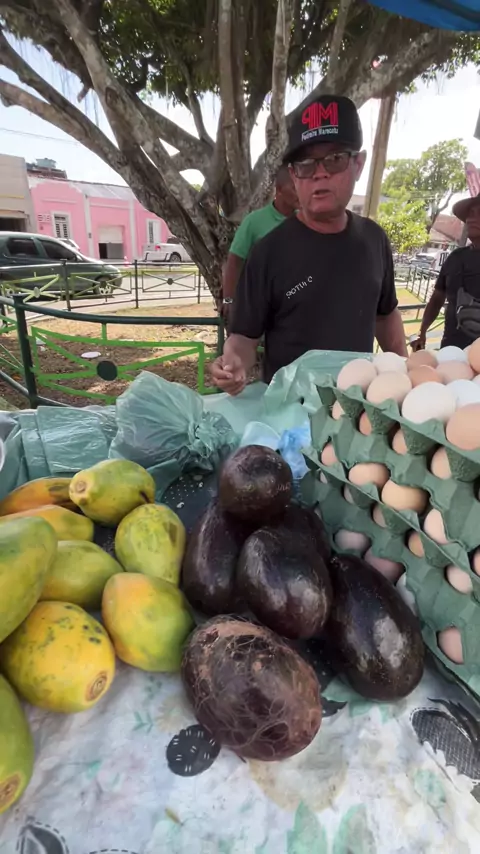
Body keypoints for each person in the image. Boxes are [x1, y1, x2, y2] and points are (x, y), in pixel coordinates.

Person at [210, 94, 406, 395]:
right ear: (293, 175)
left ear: (358, 164)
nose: (320, 173)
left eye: (335, 159)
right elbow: (244, 338)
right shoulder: (269, 252)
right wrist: (233, 362)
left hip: (358, 409)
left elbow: (386, 315)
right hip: (290, 412)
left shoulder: (374, 240)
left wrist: (404, 370)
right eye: (305, 164)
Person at [221, 165, 298, 320]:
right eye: (294, 188)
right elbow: (234, 261)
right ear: (279, 189)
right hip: (260, 308)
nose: (301, 192)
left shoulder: (305, 222)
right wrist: (228, 299)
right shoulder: (254, 221)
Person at [413, 194, 480, 351]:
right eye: (470, 214)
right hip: (451, 350)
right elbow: (437, 299)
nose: (471, 219)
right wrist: (422, 332)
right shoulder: (455, 258)